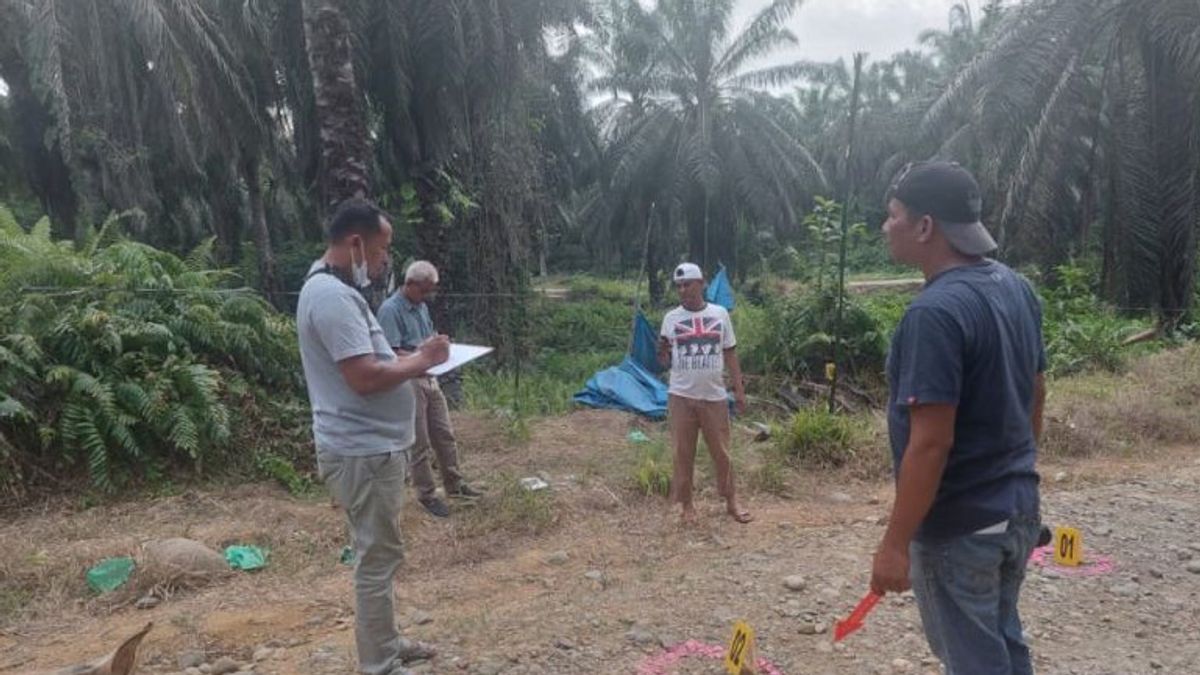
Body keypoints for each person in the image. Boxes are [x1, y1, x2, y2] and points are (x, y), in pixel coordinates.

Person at [869, 162, 1047, 675]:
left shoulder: (934, 314)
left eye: (893, 215)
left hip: (961, 526)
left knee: (975, 660)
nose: (886, 226)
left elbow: (930, 443)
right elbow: (1035, 393)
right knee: (1002, 643)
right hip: (1016, 510)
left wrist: (894, 544)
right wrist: (1017, 475)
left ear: (925, 227)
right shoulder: (1016, 288)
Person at [297, 199, 450, 675]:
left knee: (382, 551)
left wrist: (412, 360)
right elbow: (364, 377)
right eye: (383, 250)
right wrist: (422, 361)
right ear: (356, 243)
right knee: (377, 559)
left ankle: (386, 640)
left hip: (370, 448)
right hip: (363, 451)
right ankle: (380, 664)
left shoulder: (331, 290)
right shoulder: (331, 297)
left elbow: (371, 364)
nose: (386, 261)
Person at [377, 261, 482, 518]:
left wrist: (440, 345)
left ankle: (455, 484)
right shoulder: (390, 311)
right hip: (409, 379)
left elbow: (428, 338)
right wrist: (422, 356)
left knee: (444, 433)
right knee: (420, 440)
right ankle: (426, 494)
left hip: (430, 375)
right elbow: (389, 352)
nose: (427, 296)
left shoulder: (421, 307)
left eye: (430, 291)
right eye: (423, 290)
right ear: (409, 284)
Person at [657, 262, 752, 525]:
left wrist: (739, 390)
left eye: (688, 284)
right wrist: (662, 353)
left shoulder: (720, 314)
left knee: (722, 452)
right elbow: (665, 362)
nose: (683, 290)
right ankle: (687, 505)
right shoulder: (671, 319)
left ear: (702, 283)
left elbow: (730, 353)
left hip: (714, 396)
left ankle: (731, 500)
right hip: (680, 396)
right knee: (682, 452)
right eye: (679, 286)